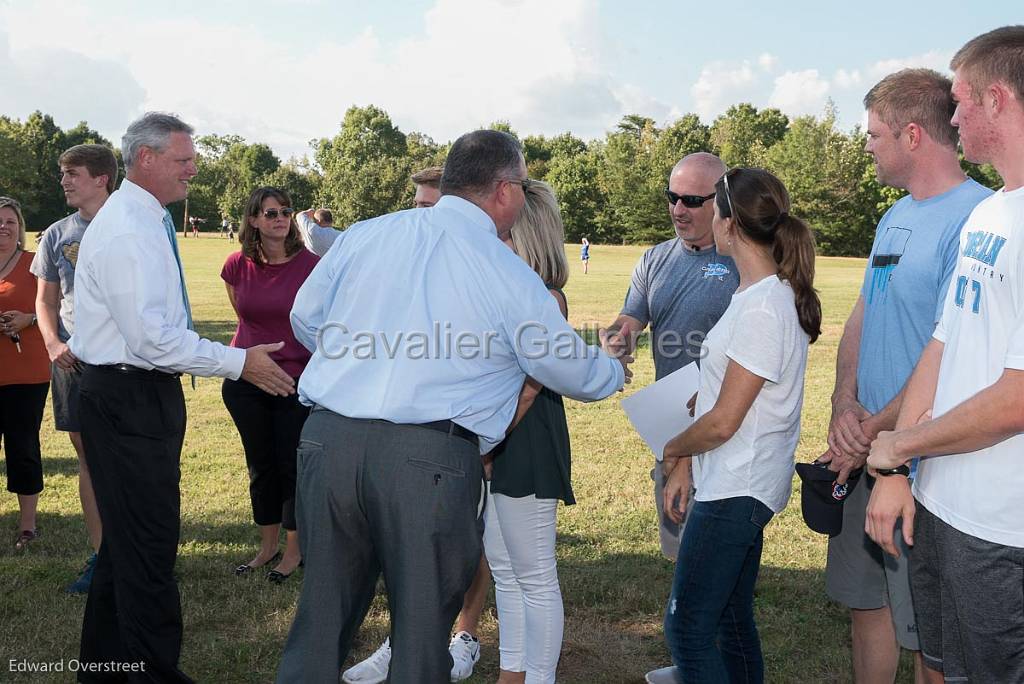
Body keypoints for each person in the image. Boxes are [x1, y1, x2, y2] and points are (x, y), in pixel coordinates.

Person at [278, 129, 631, 683]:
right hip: (429, 458)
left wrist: (360, 364)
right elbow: (568, 368)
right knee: (422, 635)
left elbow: (306, 316)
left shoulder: (368, 234)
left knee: (320, 617)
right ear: (506, 190)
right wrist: (611, 366)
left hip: (329, 441)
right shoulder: (504, 268)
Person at [68, 111, 296, 681]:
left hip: (132, 393)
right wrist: (239, 361)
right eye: (183, 159)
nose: (194, 168)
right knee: (147, 546)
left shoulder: (141, 219)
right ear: (146, 159)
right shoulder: (128, 227)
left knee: (127, 545)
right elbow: (152, 339)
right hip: (128, 395)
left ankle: (104, 669)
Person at [817, 69, 991, 684]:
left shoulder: (977, 218)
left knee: (929, 640)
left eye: (874, 134)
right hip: (867, 447)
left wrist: (878, 431)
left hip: (921, 461)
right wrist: (845, 403)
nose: (867, 146)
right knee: (869, 608)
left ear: (912, 134)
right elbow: (864, 312)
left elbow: (946, 353)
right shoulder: (892, 216)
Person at [867, 26, 1024, 683]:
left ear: (996, 100)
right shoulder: (994, 216)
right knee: (939, 668)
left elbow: (1018, 397)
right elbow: (943, 341)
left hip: (1002, 528)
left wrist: (900, 448)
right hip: (939, 503)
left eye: (960, 101)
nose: (951, 118)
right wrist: (900, 468)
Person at [659, 167, 820, 682]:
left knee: (687, 629)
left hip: (736, 489)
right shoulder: (758, 296)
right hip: (738, 482)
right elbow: (724, 396)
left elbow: (725, 421)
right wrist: (686, 458)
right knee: (730, 619)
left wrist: (672, 447)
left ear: (728, 223)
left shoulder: (764, 307)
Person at [344, 163, 493, 684]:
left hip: (472, 431)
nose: (425, 219)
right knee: (411, 544)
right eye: (419, 207)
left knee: (472, 539)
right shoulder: (397, 258)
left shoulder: (489, 263)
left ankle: (464, 635)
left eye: (434, 208)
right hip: (410, 436)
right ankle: (405, 638)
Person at [603, 152, 737, 593]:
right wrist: (617, 339)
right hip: (673, 424)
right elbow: (631, 319)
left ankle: (703, 651)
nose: (678, 210)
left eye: (692, 201)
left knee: (720, 552)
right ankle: (689, 650)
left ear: (721, 201)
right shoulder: (654, 260)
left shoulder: (743, 259)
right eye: (672, 198)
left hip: (729, 423)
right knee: (680, 546)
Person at [483, 180, 573, 684]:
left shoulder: (546, 298)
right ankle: (511, 673)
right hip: (500, 437)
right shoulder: (508, 290)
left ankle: (540, 677)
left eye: (505, 234)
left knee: (535, 574)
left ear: (528, 237)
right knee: (503, 566)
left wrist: (488, 444)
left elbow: (529, 389)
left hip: (525, 439)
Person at [31, 143, 120, 594]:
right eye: (63, 173)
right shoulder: (56, 233)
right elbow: (44, 300)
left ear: (102, 177)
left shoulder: (132, 224)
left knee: (129, 460)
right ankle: (102, 557)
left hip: (125, 365)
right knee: (88, 459)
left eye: (73, 173)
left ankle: (141, 555)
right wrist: (51, 342)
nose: (64, 181)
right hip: (71, 363)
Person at [222, 187, 319, 583]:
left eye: (285, 211)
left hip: (295, 380)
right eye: (270, 212)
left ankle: (294, 552)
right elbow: (243, 316)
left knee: (291, 466)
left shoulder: (312, 265)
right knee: (260, 466)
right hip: (245, 379)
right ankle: (266, 548)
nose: (279, 218)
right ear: (253, 220)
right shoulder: (235, 264)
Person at [0, 196, 50, 552]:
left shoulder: (36, 264)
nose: (3, 227)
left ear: (20, 229)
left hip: (26, 372)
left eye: (10, 222)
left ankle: (27, 527)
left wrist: (28, 319)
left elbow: (59, 307)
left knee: (23, 447)